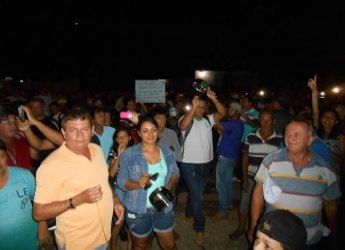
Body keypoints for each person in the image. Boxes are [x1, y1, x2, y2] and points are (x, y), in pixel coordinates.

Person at [33, 108, 124, 250]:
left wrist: (115, 200)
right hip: (77, 243)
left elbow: (103, 181)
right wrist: (77, 200)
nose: (80, 136)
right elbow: (38, 213)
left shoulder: (96, 150)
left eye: (85, 129)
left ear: (92, 130)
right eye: (73, 130)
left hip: (103, 235)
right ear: (63, 133)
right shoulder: (51, 166)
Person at [248, 117, 341, 248]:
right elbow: (258, 194)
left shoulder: (325, 168)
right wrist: (253, 225)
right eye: (287, 133)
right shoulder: (271, 161)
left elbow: (330, 204)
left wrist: (335, 233)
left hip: (309, 239)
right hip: (273, 239)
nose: (290, 138)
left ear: (310, 139)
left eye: (297, 134)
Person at [117, 116, 180, 250]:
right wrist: (138, 184)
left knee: (170, 245)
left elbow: (175, 172)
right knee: (140, 246)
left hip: (163, 206)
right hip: (138, 209)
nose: (150, 134)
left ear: (158, 131)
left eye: (153, 130)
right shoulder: (129, 154)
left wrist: (168, 187)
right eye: (145, 131)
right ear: (139, 133)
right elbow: (121, 182)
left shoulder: (167, 152)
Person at [178, 87, 226, 246]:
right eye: (197, 106)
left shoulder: (208, 120)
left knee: (195, 192)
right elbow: (183, 126)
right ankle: (200, 228)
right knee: (197, 197)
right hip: (189, 164)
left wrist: (214, 98)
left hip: (206, 164)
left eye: (202, 107)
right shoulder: (185, 118)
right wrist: (192, 107)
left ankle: (188, 212)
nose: (200, 109)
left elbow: (222, 113)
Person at [230, 110, 282, 240]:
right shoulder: (251, 136)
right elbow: (245, 159)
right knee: (244, 205)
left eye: (268, 120)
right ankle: (241, 228)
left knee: (267, 208)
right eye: (262, 119)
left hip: (270, 181)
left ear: (274, 121)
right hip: (252, 178)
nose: (264, 123)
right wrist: (245, 179)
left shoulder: (280, 139)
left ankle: (262, 234)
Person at [0, 139, 51, 250]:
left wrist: (43, 228)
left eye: (2, 156)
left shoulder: (24, 175)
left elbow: (40, 203)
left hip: (32, 242)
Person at [212, 101, 244, 220]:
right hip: (231, 156)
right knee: (227, 182)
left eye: (231, 109)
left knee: (220, 184)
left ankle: (222, 210)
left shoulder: (234, 123)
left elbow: (216, 124)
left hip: (225, 157)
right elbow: (223, 132)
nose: (229, 110)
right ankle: (229, 203)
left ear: (238, 112)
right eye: (229, 108)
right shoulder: (237, 124)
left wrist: (213, 116)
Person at [108, 127, 133, 250]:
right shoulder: (113, 152)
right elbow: (111, 174)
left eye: (124, 136)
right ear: (116, 140)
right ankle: (113, 247)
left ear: (129, 138)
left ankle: (130, 245)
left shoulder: (136, 151)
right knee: (119, 221)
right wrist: (118, 155)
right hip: (120, 189)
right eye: (119, 137)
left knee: (130, 221)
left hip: (133, 188)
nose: (122, 139)